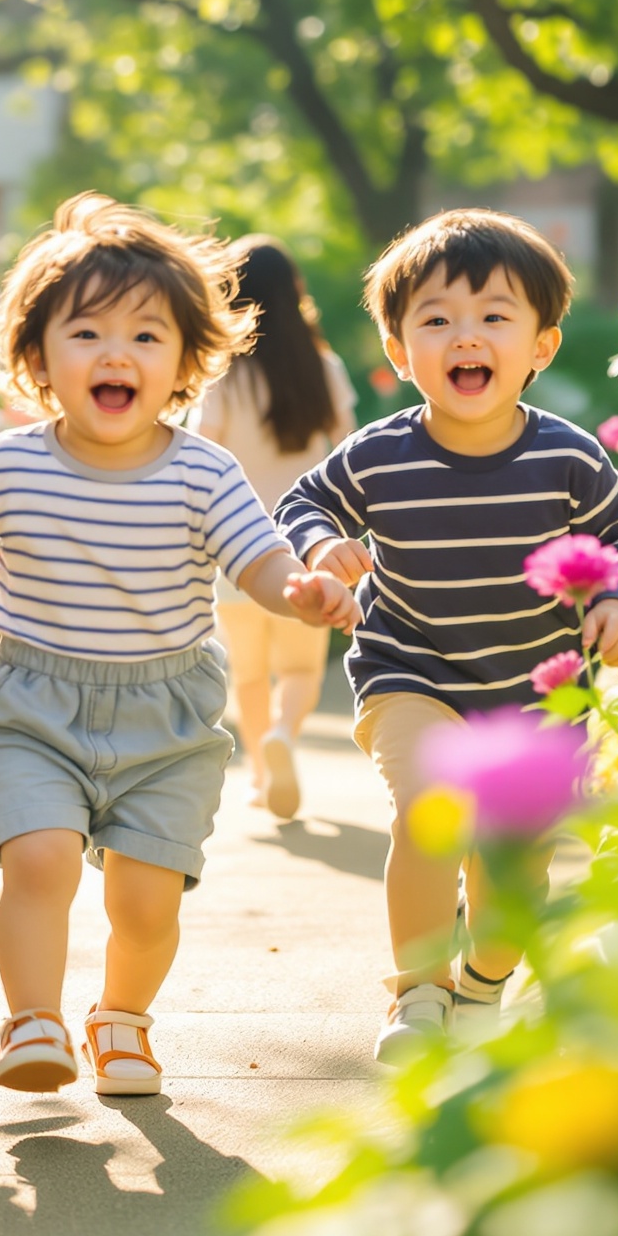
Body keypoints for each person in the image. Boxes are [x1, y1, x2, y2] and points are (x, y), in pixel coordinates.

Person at [0, 195, 360, 1098]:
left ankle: (122, 1018)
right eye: (87, 334)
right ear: (36, 356)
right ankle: (33, 1020)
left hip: (167, 712)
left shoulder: (203, 470)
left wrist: (299, 591)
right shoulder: (7, 462)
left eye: (147, 338)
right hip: (33, 700)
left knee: (145, 901)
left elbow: (257, 557)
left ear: (189, 362)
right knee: (40, 858)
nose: (116, 354)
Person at [274, 209, 618, 1063]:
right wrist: (322, 544)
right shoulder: (378, 455)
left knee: (510, 868)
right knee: (428, 813)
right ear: (399, 352)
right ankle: (418, 992)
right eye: (436, 320)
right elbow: (301, 502)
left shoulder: (568, 457)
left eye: (494, 317)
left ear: (541, 347)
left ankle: (483, 982)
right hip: (413, 673)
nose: (465, 337)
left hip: (537, 690)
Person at [195, 237, 356, 819]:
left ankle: (263, 776)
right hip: (307, 543)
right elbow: (349, 451)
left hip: (235, 545)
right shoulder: (324, 366)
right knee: (299, 668)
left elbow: (200, 453)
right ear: (295, 291)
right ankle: (284, 736)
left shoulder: (224, 376)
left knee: (250, 673)